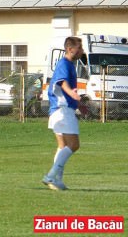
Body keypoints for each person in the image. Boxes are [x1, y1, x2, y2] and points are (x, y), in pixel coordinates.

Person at [42, 36, 83, 190]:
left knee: (62, 145)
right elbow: (62, 82)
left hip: (56, 111)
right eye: (79, 48)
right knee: (74, 145)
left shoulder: (70, 64)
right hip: (62, 110)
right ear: (70, 48)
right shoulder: (64, 63)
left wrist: (76, 100)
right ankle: (51, 175)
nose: (81, 51)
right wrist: (72, 95)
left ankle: (57, 180)